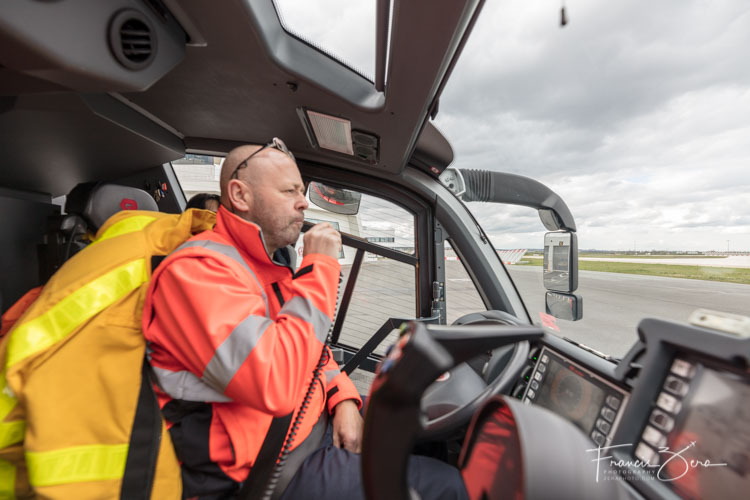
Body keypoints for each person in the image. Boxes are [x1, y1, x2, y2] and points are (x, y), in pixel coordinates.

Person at [142, 139, 468, 500]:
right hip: (263, 469)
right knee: (447, 486)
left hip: (307, 427)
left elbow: (308, 349)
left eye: (302, 190)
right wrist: (321, 268)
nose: (304, 201)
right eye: (289, 191)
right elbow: (275, 382)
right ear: (240, 195)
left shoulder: (265, 264)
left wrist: (342, 399)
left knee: (427, 439)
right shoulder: (197, 274)